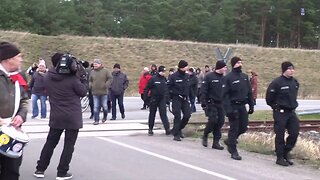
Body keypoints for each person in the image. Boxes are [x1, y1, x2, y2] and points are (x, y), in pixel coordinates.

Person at [34, 53, 88, 180]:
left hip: (56, 115)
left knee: (50, 143)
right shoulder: (73, 79)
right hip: (72, 116)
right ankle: (62, 172)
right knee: (68, 145)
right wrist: (83, 77)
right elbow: (83, 91)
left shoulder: (47, 77)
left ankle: (40, 169)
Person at [0, 42, 28, 180]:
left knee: (12, 172)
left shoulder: (19, 76)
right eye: (19, 56)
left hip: (12, 131)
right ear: (8, 58)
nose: (21, 59)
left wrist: (21, 116)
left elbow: (24, 100)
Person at [266, 61, 299, 166]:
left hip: (291, 112)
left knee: (294, 133)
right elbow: (269, 98)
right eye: (289, 69)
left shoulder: (295, 82)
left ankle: (285, 153)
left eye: (292, 69)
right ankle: (279, 157)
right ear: (284, 70)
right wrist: (275, 107)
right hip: (280, 112)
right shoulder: (277, 83)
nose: (291, 71)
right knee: (280, 135)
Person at [222, 56, 254, 160]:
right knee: (234, 128)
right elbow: (224, 95)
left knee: (243, 127)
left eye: (241, 62)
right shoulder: (228, 78)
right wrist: (228, 110)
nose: (240, 64)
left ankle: (230, 141)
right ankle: (233, 151)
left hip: (242, 106)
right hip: (233, 106)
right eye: (238, 62)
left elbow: (249, 92)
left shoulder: (244, 77)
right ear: (233, 64)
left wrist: (251, 104)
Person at [201, 61, 227, 150]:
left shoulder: (224, 78)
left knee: (220, 121)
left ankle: (216, 142)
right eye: (224, 67)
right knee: (212, 120)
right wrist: (203, 102)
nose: (225, 69)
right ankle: (205, 134)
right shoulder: (209, 77)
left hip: (221, 103)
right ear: (219, 67)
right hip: (211, 103)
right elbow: (203, 90)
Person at [167, 60, 191, 141]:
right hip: (176, 98)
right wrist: (169, 98)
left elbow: (189, 87)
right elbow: (168, 87)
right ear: (181, 67)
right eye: (186, 66)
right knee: (177, 116)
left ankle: (178, 129)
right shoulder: (174, 76)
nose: (187, 68)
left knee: (187, 115)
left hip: (185, 99)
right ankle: (176, 134)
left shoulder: (187, 76)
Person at [143, 65, 171, 136]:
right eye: (162, 72)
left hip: (162, 99)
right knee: (152, 114)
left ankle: (167, 129)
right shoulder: (153, 79)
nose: (163, 73)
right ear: (159, 71)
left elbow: (166, 90)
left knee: (163, 114)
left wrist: (168, 100)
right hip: (154, 98)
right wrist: (146, 99)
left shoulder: (165, 79)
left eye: (164, 72)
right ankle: (150, 129)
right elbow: (147, 88)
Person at [89, 59, 113, 125]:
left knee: (105, 107)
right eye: (94, 64)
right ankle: (96, 120)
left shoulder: (106, 71)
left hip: (104, 92)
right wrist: (90, 85)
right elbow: (90, 80)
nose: (95, 65)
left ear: (100, 64)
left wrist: (107, 84)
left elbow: (110, 78)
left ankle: (104, 117)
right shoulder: (92, 72)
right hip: (95, 92)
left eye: (96, 64)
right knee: (96, 107)